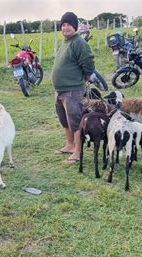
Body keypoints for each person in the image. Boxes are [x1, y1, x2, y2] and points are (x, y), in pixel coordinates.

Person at [51, 12, 95, 164]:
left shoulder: (79, 43)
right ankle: (70, 145)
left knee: (75, 120)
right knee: (64, 119)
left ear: (75, 26)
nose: (65, 27)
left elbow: (88, 64)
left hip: (72, 90)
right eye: (63, 25)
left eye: (69, 24)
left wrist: (85, 78)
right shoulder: (66, 42)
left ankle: (78, 151)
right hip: (60, 90)